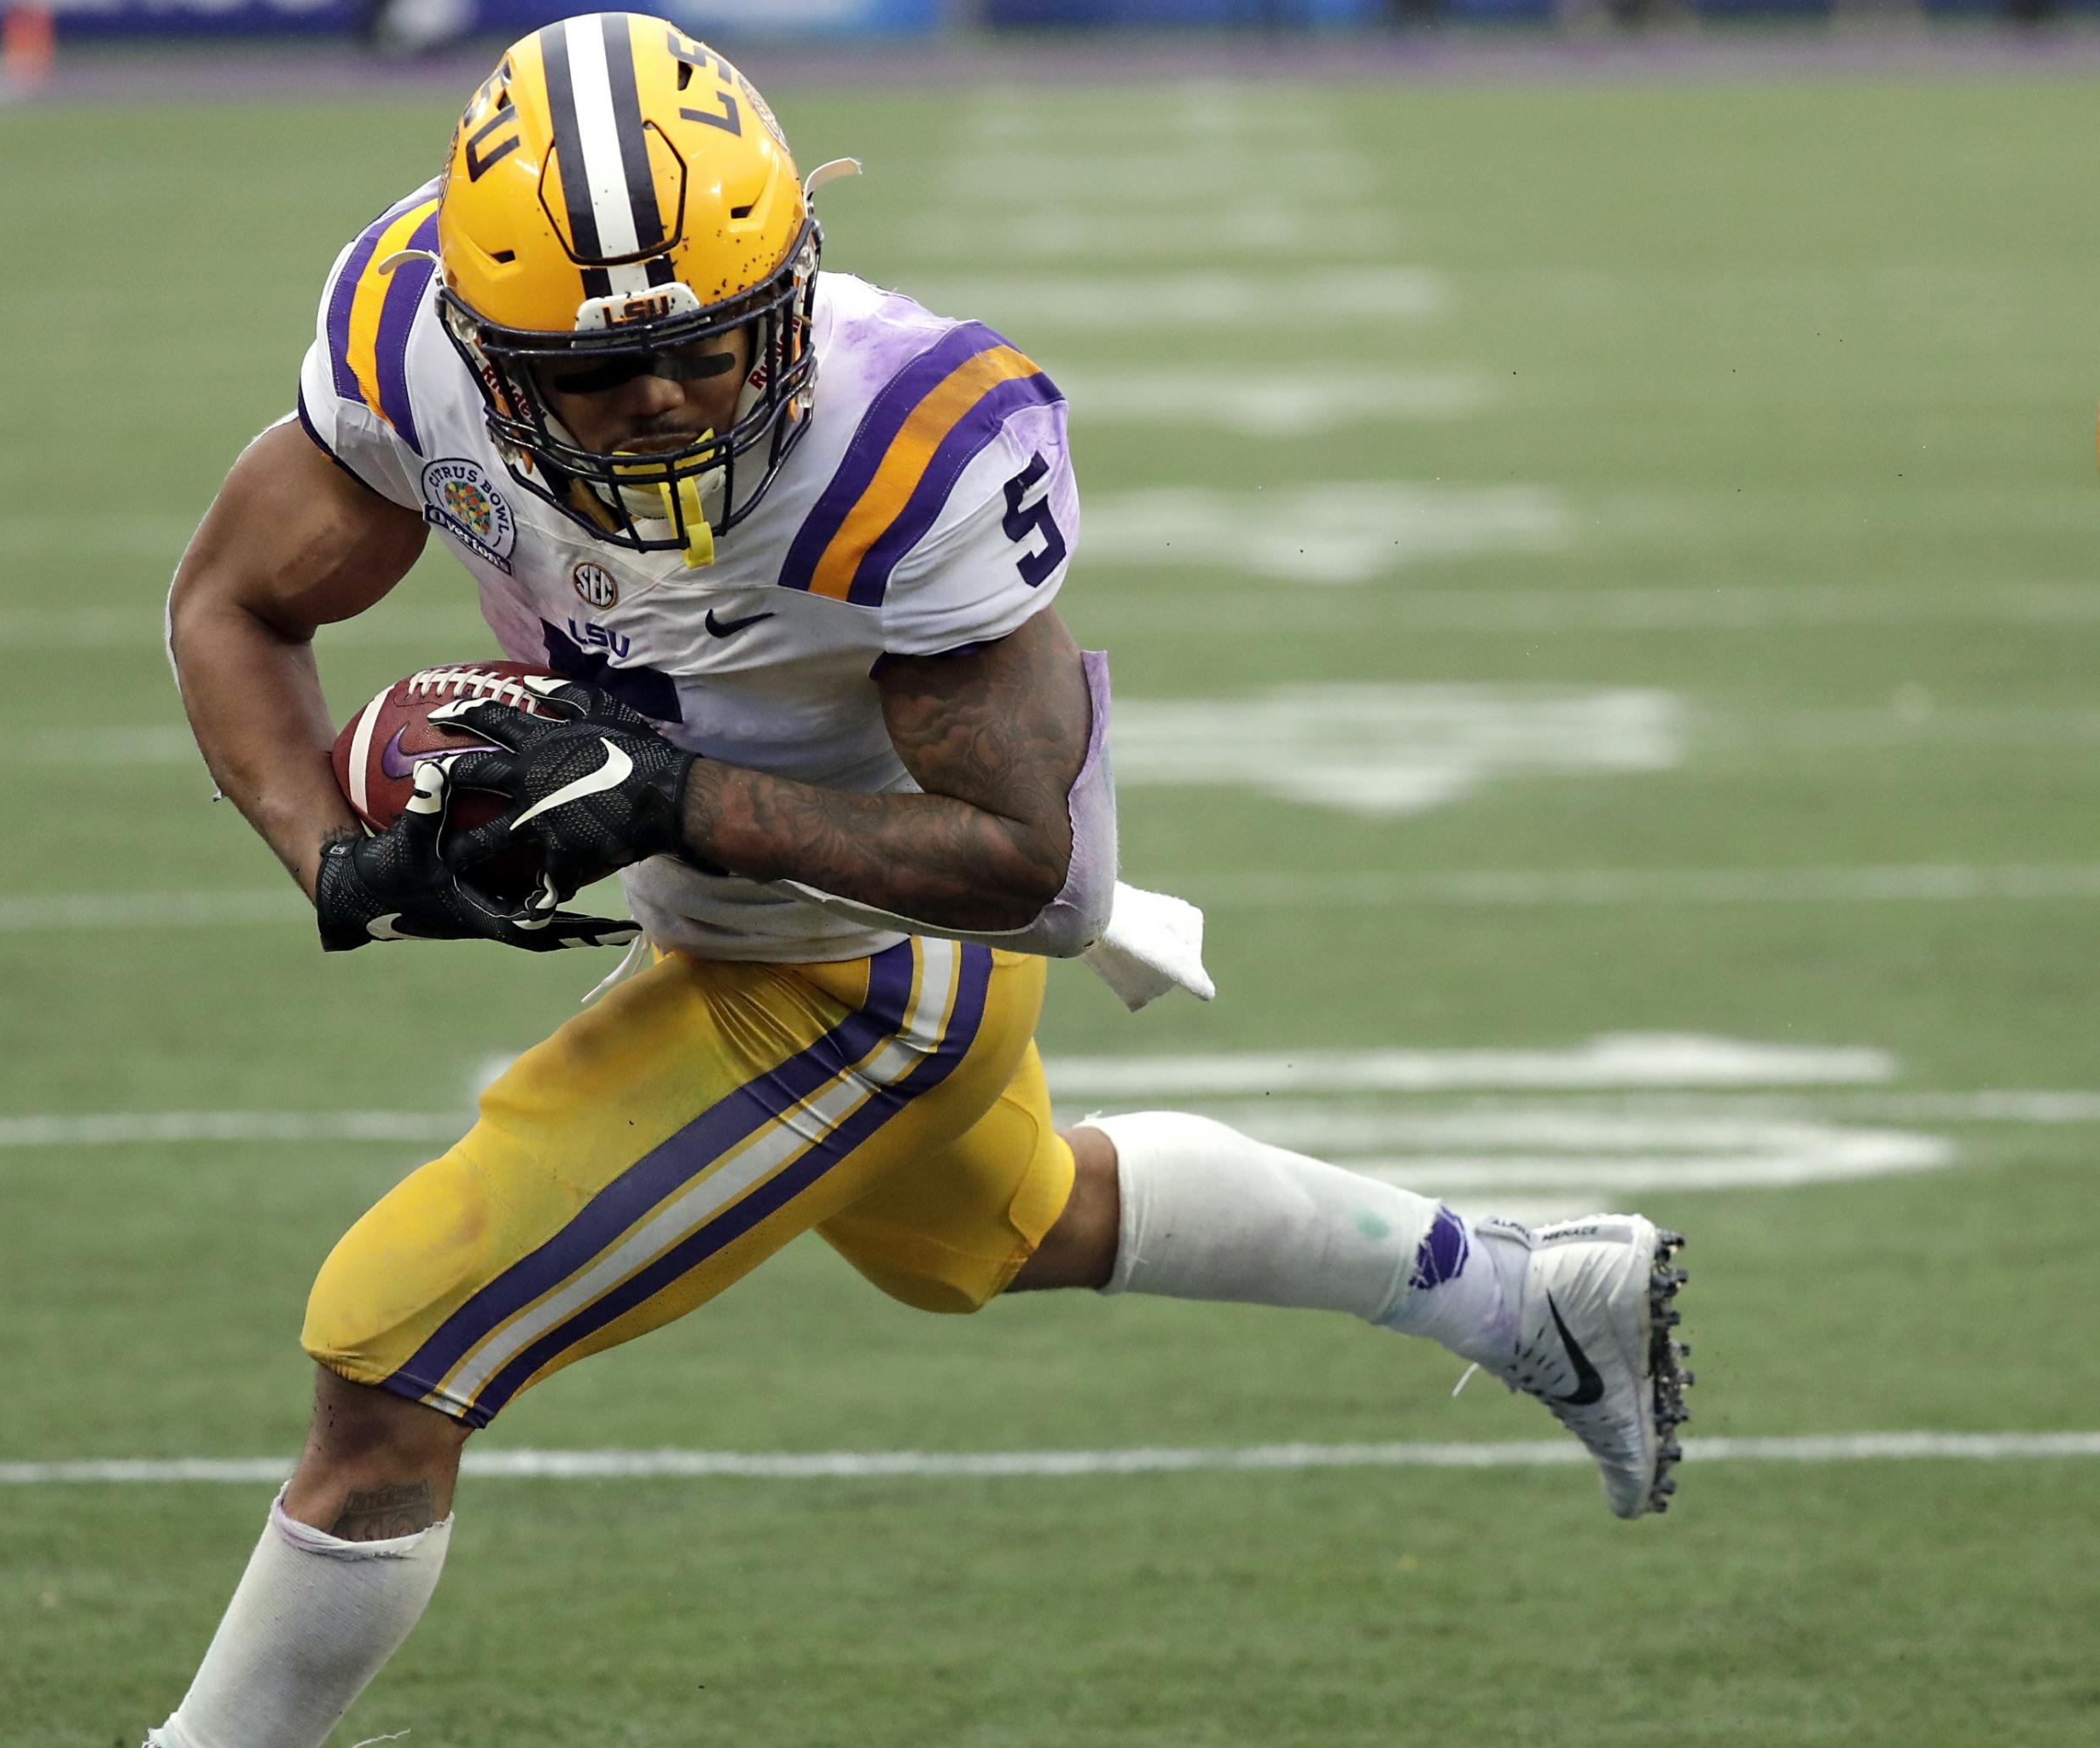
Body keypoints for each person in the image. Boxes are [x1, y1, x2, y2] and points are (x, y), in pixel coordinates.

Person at [154, 15, 1690, 1745]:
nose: (658, 403)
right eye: (592, 379)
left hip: (873, 958)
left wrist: (674, 795)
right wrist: (335, 855)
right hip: (744, 914)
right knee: (1015, 1221)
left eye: (710, 351)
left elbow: (1030, 867)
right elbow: (234, 602)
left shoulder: (917, 443)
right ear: (488, 359)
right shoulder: (409, 335)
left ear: (796, 286)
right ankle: (1527, 1287)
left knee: (389, 1361)